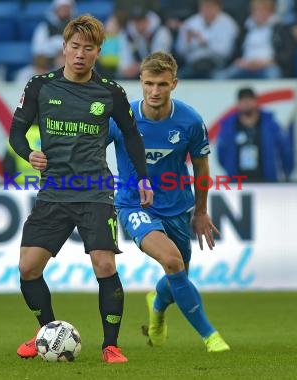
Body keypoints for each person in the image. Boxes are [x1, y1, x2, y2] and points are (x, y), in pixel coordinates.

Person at [9, 15, 153, 363]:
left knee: (104, 265)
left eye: (88, 48)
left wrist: (143, 176)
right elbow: (15, 133)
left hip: (95, 190)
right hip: (54, 192)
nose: (80, 54)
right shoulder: (40, 86)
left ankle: (111, 345)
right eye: (74, 47)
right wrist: (29, 153)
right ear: (63, 47)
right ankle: (46, 332)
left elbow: (132, 136)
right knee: (28, 268)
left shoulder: (110, 92)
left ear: (97, 52)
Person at [107, 51, 230, 352]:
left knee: (178, 277)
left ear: (174, 84)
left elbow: (201, 168)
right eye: (148, 83)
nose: (154, 91)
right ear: (140, 82)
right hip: (134, 206)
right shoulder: (123, 119)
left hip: (177, 207)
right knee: (173, 262)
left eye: (161, 84)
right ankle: (211, 337)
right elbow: (91, 151)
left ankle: (157, 309)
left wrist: (201, 212)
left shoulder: (189, 120)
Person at [216, 87, 294, 182]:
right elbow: (222, 154)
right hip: (237, 182)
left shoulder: (270, 125)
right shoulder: (228, 127)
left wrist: (286, 172)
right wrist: (230, 170)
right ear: (238, 104)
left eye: (249, 99)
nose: (247, 103)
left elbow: (285, 150)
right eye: (243, 100)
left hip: (267, 181)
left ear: (256, 102)